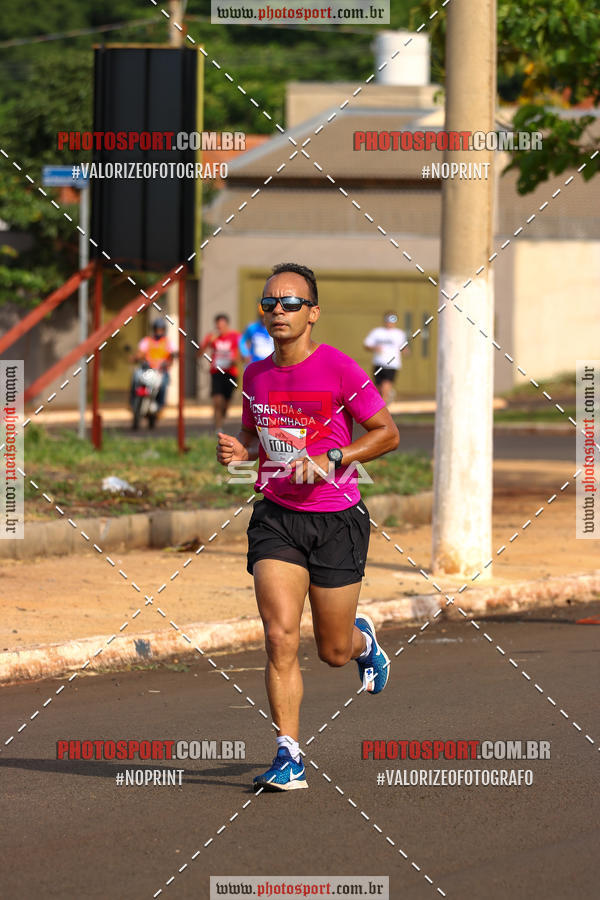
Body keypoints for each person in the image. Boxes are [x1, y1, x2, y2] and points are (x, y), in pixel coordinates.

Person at [216, 262, 399, 792]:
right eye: (270, 303)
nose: (279, 311)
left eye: (291, 303)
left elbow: (386, 434)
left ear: (313, 313)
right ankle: (288, 755)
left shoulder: (340, 368)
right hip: (276, 517)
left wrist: (332, 458)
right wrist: (240, 451)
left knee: (333, 651)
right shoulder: (255, 375)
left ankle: (363, 644)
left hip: (337, 520)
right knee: (279, 636)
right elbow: (255, 437)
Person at [199, 313, 241, 432]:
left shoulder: (235, 336)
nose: (220, 329)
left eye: (222, 326)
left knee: (225, 403)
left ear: (227, 325)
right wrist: (208, 343)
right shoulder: (212, 337)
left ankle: (220, 417)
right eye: (218, 326)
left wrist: (235, 360)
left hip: (231, 373)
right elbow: (199, 353)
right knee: (217, 401)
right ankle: (218, 428)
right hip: (216, 373)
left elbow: (242, 353)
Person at [363, 311, 409, 405]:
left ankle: (383, 406)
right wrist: (374, 348)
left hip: (392, 364)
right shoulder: (377, 332)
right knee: (378, 387)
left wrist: (405, 351)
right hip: (378, 362)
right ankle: (388, 395)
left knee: (386, 385)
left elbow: (403, 347)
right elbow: (366, 345)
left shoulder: (399, 333)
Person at [131, 317, 175, 414]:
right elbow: (141, 352)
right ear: (154, 329)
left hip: (161, 371)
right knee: (136, 377)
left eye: (161, 329)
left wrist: (168, 362)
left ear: (164, 330)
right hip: (147, 369)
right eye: (157, 329)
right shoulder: (147, 340)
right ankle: (133, 403)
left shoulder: (168, 342)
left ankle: (160, 406)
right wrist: (136, 357)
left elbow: (172, 356)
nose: (159, 332)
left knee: (163, 384)